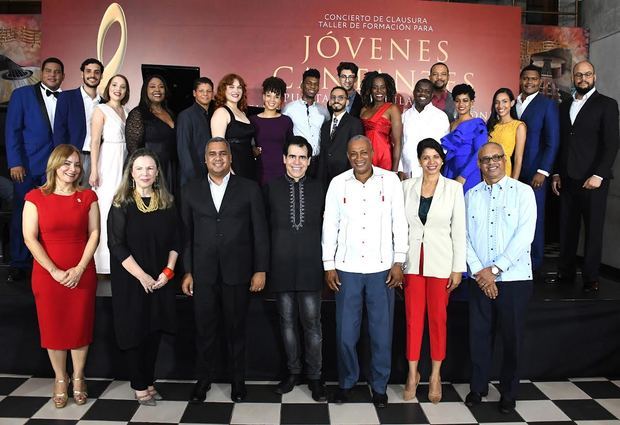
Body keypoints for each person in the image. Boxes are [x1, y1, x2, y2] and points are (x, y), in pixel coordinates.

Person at [322, 135, 407, 409]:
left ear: (372, 152)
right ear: (348, 156)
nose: (359, 158)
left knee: (382, 333)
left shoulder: (390, 181)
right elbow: (329, 224)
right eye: (353, 154)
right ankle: (347, 383)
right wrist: (328, 264)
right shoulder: (338, 184)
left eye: (363, 152)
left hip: (382, 269)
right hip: (346, 269)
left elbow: (400, 222)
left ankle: (379, 386)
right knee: (346, 333)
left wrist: (399, 261)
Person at [182, 137, 268, 403]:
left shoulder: (250, 188)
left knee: (236, 329)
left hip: (238, 272)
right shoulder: (190, 190)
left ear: (230, 158)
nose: (217, 158)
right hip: (203, 273)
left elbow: (260, 233)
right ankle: (203, 380)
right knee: (204, 330)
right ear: (204, 159)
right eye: (212, 154)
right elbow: (186, 235)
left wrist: (260, 269)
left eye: (222, 154)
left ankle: (238, 382)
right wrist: (187, 271)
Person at [22, 144, 99, 408]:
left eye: (77, 164)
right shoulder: (35, 197)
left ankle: (78, 376)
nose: (72, 169)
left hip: (82, 273)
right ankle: (59, 377)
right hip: (47, 274)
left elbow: (94, 234)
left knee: (79, 325)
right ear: (54, 165)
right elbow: (30, 239)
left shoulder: (88, 196)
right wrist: (54, 271)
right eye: (66, 163)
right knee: (53, 327)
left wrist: (78, 269)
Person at [464, 142, 536, 414]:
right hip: (479, 279)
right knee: (479, 336)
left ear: (504, 160)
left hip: (514, 279)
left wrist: (494, 271)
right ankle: (478, 387)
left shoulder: (523, 192)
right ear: (479, 164)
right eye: (485, 159)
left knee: (512, 338)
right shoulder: (471, 195)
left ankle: (509, 391)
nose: (491, 163)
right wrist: (480, 272)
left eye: (496, 158)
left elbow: (524, 237)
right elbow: (465, 237)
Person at [108, 148, 180, 406]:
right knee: (135, 333)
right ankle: (139, 387)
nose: (145, 173)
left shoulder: (167, 203)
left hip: (160, 280)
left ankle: (150, 382)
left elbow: (176, 241)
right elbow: (116, 245)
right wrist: (142, 277)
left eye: (150, 168)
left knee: (154, 332)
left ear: (157, 171)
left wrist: (167, 272)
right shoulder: (121, 204)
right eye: (139, 168)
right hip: (132, 281)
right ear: (131, 173)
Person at [402, 138, 466, 403]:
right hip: (412, 264)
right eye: (426, 157)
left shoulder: (453, 189)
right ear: (419, 160)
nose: (431, 162)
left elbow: (459, 232)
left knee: (438, 320)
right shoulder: (406, 187)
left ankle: (436, 375)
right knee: (413, 320)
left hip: (441, 264)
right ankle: (412, 373)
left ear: (442, 159)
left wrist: (458, 268)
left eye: (435, 157)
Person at [263, 137, 326, 401]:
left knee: (312, 324)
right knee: (287, 322)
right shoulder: (270, 189)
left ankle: (315, 377)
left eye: (302, 157)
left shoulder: (321, 188)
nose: (297, 162)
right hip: (281, 266)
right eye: (292, 156)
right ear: (284, 159)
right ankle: (293, 372)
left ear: (309, 161)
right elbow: (262, 230)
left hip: (311, 265)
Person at [552, 60, 619, 293]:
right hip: (568, 178)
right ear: (573, 77)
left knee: (593, 231)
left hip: (593, 180)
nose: (583, 79)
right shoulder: (564, 106)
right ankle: (566, 271)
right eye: (578, 75)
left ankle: (591, 277)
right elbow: (563, 143)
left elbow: (611, 144)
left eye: (587, 74)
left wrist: (599, 174)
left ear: (595, 77)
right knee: (567, 228)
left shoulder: (607, 105)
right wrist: (558, 172)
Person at [5, 57, 65, 282]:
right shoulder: (22, 95)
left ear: (63, 76)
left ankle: (48, 262)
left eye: (57, 72)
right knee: (22, 214)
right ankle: (19, 263)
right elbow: (12, 130)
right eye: (48, 71)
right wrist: (15, 162)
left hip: (55, 169)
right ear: (42, 73)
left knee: (53, 218)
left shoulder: (67, 98)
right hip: (27, 167)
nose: (52, 75)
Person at [516, 64, 560, 272]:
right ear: (521, 79)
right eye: (526, 78)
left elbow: (553, 141)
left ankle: (535, 263)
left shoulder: (547, 105)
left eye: (533, 79)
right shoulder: (513, 103)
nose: (529, 82)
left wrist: (543, 171)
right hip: (514, 173)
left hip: (535, 175)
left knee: (535, 218)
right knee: (515, 219)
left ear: (539, 82)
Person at [89, 74, 130, 275]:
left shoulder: (128, 111)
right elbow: (95, 142)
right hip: (108, 161)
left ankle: (120, 257)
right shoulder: (100, 109)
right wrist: (94, 169)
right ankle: (102, 261)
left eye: (122, 86)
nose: (118, 89)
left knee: (122, 208)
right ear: (108, 87)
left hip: (125, 161)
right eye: (114, 85)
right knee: (105, 207)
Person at [53, 58, 104, 188]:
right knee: (66, 193)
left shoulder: (105, 104)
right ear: (82, 74)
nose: (92, 75)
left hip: (97, 158)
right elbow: (59, 130)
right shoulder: (66, 97)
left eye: (97, 72)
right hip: (72, 156)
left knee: (88, 197)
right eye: (88, 71)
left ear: (101, 76)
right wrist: (63, 158)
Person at [126, 75, 178, 195]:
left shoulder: (170, 113)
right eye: (152, 86)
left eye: (161, 87)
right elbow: (133, 150)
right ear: (145, 90)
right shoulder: (138, 113)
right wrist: (143, 173)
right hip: (150, 171)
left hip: (170, 169)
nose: (157, 90)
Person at [283, 68, 330, 177]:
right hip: (297, 162)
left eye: (316, 84)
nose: (312, 87)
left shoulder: (323, 111)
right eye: (309, 83)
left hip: (317, 162)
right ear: (302, 85)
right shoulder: (289, 109)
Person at [441, 84, 487, 193]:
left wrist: (463, 176)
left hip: (469, 174)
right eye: (457, 101)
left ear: (472, 103)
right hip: (450, 172)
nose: (461, 104)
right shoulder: (452, 124)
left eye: (465, 100)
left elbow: (479, 153)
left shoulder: (478, 124)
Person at [400, 79, 450, 179]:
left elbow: (444, 148)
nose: (422, 93)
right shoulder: (404, 116)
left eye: (427, 91)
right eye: (419, 90)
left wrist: (437, 166)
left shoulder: (441, 116)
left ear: (432, 95)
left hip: (432, 172)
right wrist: (401, 169)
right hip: (408, 172)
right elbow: (400, 145)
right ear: (414, 92)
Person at [211, 74, 257, 180]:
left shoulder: (243, 113)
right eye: (231, 87)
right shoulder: (221, 112)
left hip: (249, 164)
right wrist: (229, 172)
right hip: (234, 167)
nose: (236, 91)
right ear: (224, 89)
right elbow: (218, 146)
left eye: (239, 87)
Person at [249, 76, 294, 185]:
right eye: (268, 95)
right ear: (263, 96)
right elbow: (247, 146)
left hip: (281, 171)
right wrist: (252, 150)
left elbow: (290, 147)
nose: (272, 100)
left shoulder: (286, 121)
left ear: (281, 100)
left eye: (276, 96)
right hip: (259, 171)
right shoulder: (253, 120)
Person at [318, 86, 364, 187]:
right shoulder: (325, 125)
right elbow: (323, 154)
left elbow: (356, 153)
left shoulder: (354, 123)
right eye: (333, 97)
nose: (336, 100)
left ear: (347, 102)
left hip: (346, 179)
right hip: (326, 180)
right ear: (329, 102)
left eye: (340, 98)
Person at [359, 71, 402, 172]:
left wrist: (395, 170)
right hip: (365, 155)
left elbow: (397, 142)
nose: (379, 91)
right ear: (370, 89)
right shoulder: (364, 110)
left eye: (383, 87)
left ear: (387, 89)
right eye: (375, 87)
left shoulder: (392, 108)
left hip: (383, 156)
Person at [177, 77, 215, 187]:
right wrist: (192, 176)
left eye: (208, 91)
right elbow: (183, 148)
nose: (205, 94)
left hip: (210, 173)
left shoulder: (214, 115)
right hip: (193, 175)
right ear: (194, 93)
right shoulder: (186, 116)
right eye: (201, 91)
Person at [487, 88, 526, 180]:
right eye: (497, 102)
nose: (500, 106)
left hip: (505, 172)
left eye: (504, 101)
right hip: (487, 171)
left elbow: (518, 158)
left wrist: (513, 183)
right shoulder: (491, 125)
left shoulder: (519, 126)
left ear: (512, 103)